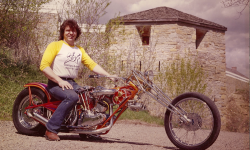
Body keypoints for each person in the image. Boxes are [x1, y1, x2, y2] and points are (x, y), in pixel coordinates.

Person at [40, 19, 115, 141]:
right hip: (56, 83)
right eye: (68, 30)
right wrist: (60, 81)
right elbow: (44, 66)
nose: (71, 33)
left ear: (77, 33)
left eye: (73, 31)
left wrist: (109, 75)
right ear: (63, 32)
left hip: (71, 82)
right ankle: (51, 129)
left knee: (91, 95)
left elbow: (92, 64)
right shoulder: (55, 45)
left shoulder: (79, 50)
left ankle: (86, 129)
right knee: (72, 97)